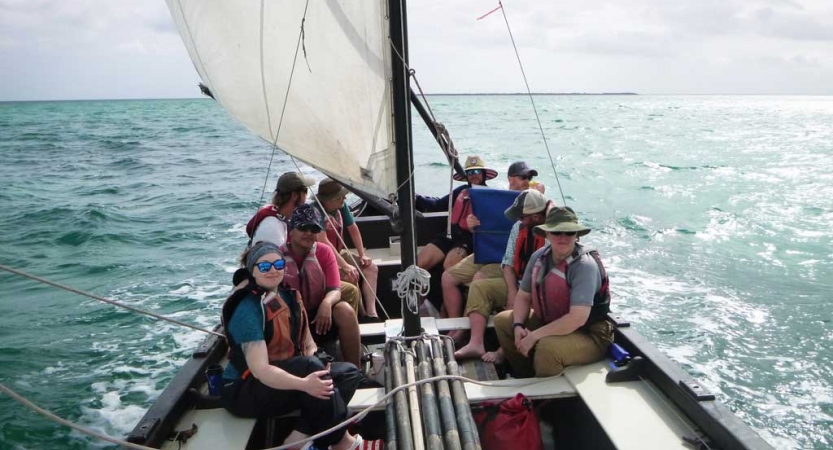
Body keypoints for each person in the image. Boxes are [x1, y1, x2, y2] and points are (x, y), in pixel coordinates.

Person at [220, 241, 370, 450]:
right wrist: (305, 384)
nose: (273, 271)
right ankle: (345, 443)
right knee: (313, 371)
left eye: (278, 265)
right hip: (245, 389)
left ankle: (297, 440)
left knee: (349, 374)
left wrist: (320, 367)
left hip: (282, 377)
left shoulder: (289, 296)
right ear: (252, 271)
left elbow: (308, 343)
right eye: (264, 266)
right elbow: (260, 370)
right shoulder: (248, 309)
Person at [494, 207, 614, 377]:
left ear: (577, 236)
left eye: (569, 233)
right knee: (502, 321)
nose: (563, 238)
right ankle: (525, 376)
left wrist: (534, 336)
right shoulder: (539, 257)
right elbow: (523, 296)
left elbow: (577, 318)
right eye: (557, 232)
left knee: (547, 348)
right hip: (551, 320)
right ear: (547, 234)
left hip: (590, 334)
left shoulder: (584, 266)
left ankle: (544, 396)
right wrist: (518, 326)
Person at [442, 160, 542, 329]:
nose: (527, 181)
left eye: (530, 177)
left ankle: (470, 330)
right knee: (447, 278)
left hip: (507, 259)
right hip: (487, 252)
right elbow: (483, 229)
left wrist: (539, 193)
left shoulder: (535, 201)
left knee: (478, 279)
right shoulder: (495, 199)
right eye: (523, 177)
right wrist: (473, 225)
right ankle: (456, 326)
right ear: (511, 179)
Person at [453, 189, 552, 361]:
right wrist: (512, 291)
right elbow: (507, 263)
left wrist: (521, 295)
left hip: (541, 290)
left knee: (522, 305)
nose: (518, 220)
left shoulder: (553, 234)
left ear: (536, 217)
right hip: (520, 283)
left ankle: (503, 351)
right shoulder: (518, 227)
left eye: (522, 217)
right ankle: (476, 343)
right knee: (479, 287)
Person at [281, 203, 363, 368]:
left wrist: (326, 303)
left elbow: (335, 289)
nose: (309, 233)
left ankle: (356, 370)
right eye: (303, 227)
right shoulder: (277, 256)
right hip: (291, 320)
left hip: (319, 317)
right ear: (291, 230)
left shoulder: (324, 252)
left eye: (314, 229)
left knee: (345, 311)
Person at [414, 155, 497, 272]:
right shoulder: (461, 191)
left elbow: (494, 225)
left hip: (469, 238)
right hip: (450, 234)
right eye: (470, 172)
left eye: (477, 171)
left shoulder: (491, 196)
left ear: (483, 173)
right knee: (419, 263)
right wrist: (417, 199)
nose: (473, 175)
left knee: (450, 265)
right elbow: (438, 204)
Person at [313, 178, 381, 322]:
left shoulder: (340, 207)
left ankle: (372, 313)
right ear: (330, 199)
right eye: (341, 196)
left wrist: (362, 255)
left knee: (371, 268)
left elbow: (353, 229)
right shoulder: (316, 212)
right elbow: (323, 241)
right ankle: (361, 316)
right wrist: (345, 265)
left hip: (340, 252)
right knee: (351, 275)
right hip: (324, 260)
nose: (345, 198)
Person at [247, 172, 316, 247]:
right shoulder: (272, 227)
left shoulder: (279, 217)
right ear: (294, 195)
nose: (306, 197)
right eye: (305, 191)